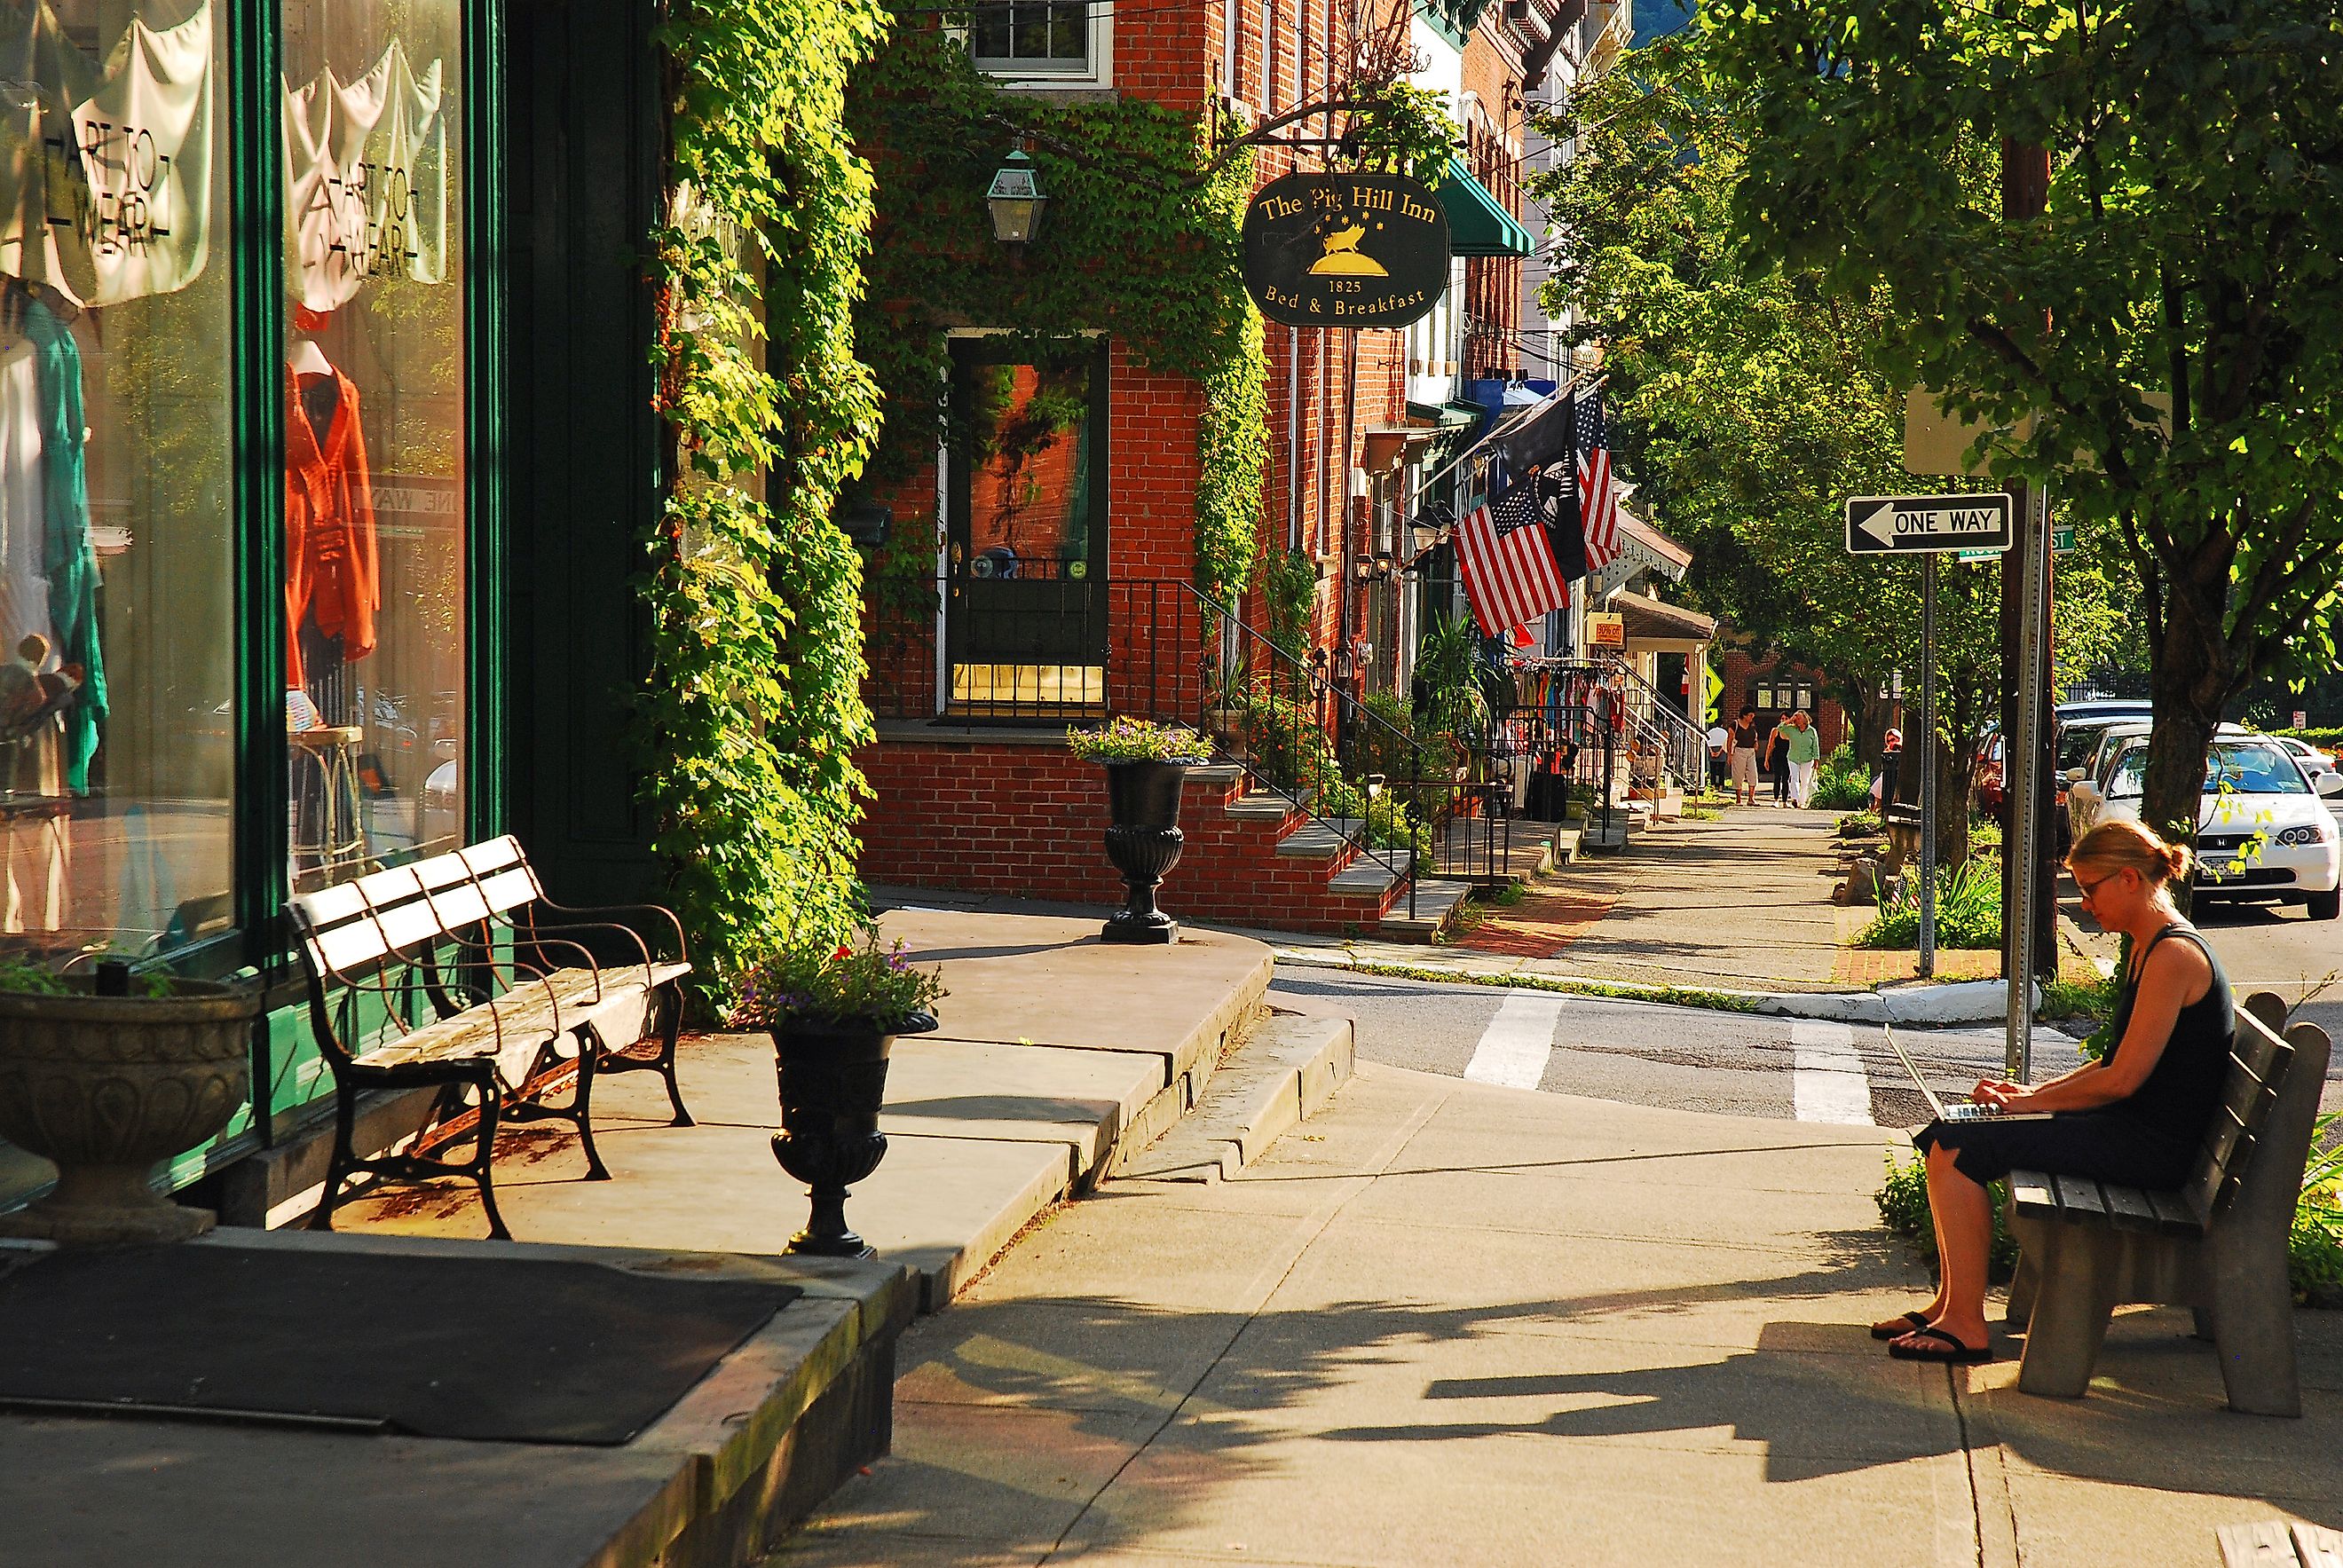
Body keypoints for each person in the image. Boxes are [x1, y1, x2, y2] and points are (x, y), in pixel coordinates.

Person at [1874, 819, 2229, 1363]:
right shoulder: (2147, 946)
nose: (2084, 902)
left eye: (2091, 888)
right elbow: (2114, 1066)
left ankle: (1967, 1325)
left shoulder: (2173, 957)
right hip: (2134, 1133)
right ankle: (1949, 1305)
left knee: (1961, 1147)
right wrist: (2031, 1094)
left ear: (2130, 879)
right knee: (1949, 1134)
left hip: (2153, 1151)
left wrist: (2029, 1104)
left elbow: (2121, 1081)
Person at [1784, 708, 1821, 808]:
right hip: (1793, 757)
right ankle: (1794, 799)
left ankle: (1802, 801)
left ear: (1805, 719)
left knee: (1805, 781)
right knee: (1794, 778)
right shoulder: (1792, 729)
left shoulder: (1812, 731)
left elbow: (1815, 745)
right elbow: (1780, 728)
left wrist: (1816, 759)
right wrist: (1790, 720)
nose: (1797, 720)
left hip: (1807, 758)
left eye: (1799, 718)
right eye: (1796, 718)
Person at [1730, 705, 1760, 806]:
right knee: (1738, 774)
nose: (1752, 718)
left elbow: (1755, 735)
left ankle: (1751, 798)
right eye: (1750, 716)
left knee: (1753, 774)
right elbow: (1730, 739)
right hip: (1739, 750)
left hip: (1751, 751)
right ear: (1744, 715)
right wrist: (1730, 754)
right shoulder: (1735, 724)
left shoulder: (1752, 725)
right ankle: (1738, 799)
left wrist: (1756, 742)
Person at [1765, 718, 1791, 805]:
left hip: (1788, 757)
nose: (1784, 720)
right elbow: (1770, 745)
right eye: (1782, 719)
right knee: (1777, 777)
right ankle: (1776, 799)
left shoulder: (1792, 732)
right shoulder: (1776, 730)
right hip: (1777, 756)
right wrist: (1766, 759)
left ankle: (1785, 801)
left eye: (1786, 719)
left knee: (1786, 779)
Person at [1705, 719, 1729, 793]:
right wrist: (1720, 751)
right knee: (1721, 770)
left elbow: (1707, 741)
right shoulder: (1724, 732)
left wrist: (1711, 751)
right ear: (1722, 724)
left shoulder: (1711, 732)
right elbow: (1725, 742)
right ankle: (1721, 786)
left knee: (1713, 770)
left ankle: (1713, 785)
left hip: (1712, 749)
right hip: (1722, 750)